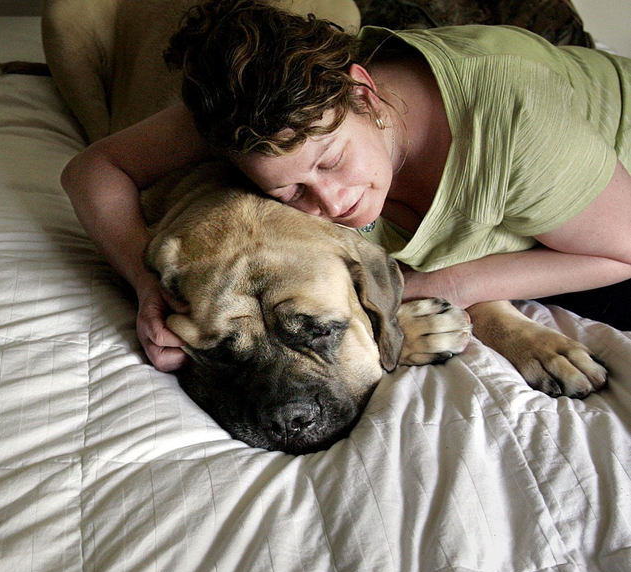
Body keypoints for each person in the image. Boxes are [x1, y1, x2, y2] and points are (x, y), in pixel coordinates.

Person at [60, 0, 631, 372]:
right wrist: (143, 281)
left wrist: (443, 284)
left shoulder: (516, 125)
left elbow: (622, 249)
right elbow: (92, 169)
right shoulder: (263, 121)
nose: (330, 204)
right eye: (289, 191)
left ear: (363, 92)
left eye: (332, 161)